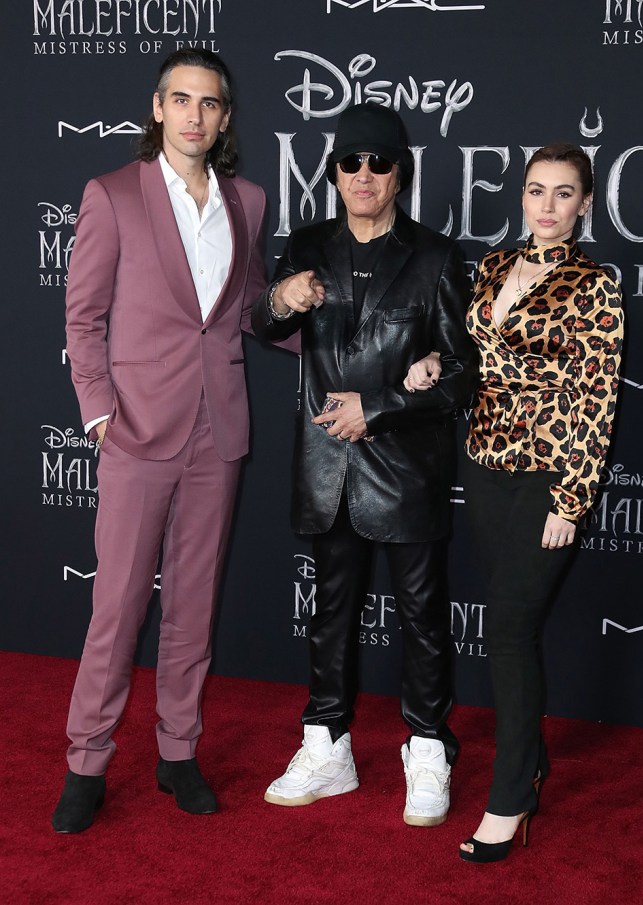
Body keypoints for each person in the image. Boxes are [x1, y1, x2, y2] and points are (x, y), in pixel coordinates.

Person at [52, 49, 292, 833]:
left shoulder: (249, 200)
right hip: (136, 428)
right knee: (117, 604)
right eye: (181, 99)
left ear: (225, 118)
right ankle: (87, 759)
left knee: (195, 604)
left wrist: (300, 315)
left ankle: (178, 751)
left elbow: (251, 309)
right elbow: (82, 316)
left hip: (216, 431)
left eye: (210, 103)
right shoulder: (112, 195)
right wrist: (97, 414)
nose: (195, 115)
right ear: (157, 108)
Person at [252, 104, 478, 827]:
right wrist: (277, 298)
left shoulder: (437, 256)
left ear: (399, 173)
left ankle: (427, 745)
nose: (363, 175)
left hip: (405, 466)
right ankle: (327, 743)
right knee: (329, 616)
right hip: (327, 469)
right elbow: (265, 321)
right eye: (351, 162)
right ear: (334, 171)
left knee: (421, 616)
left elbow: (461, 375)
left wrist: (376, 407)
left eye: (379, 163)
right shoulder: (305, 245)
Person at [405, 143, 624, 860]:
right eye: (537, 190)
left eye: (566, 193)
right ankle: (530, 758)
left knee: (506, 629)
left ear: (586, 203)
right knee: (515, 631)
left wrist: (571, 498)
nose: (549, 205)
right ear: (522, 195)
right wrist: (439, 361)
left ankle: (509, 798)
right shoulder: (496, 265)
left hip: (547, 473)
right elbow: (475, 358)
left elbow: (596, 403)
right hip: (486, 463)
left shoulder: (596, 287)